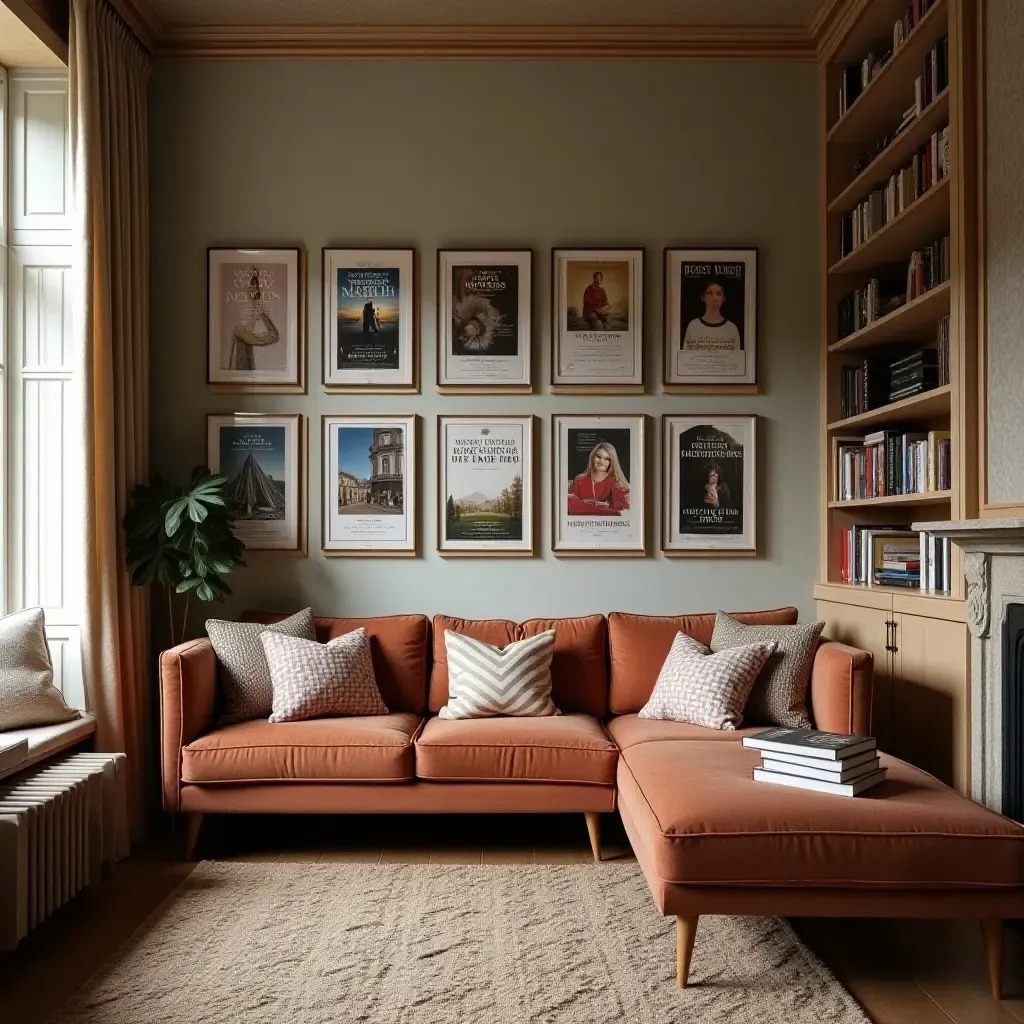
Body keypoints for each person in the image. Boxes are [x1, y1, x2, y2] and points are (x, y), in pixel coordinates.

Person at [567, 442, 630, 516]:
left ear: (611, 462)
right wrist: (600, 506)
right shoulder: (579, 480)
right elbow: (573, 508)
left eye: (607, 459)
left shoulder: (616, 483)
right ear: (593, 457)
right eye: (599, 457)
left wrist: (585, 504)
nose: (601, 461)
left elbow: (620, 511)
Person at [682, 278, 741, 353]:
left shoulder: (732, 328)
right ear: (702, 297)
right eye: (709, 293)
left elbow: (736, 360)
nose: (714, 297)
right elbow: (686, 358)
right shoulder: (693, 326)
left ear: (723, 298)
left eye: (718, 293)